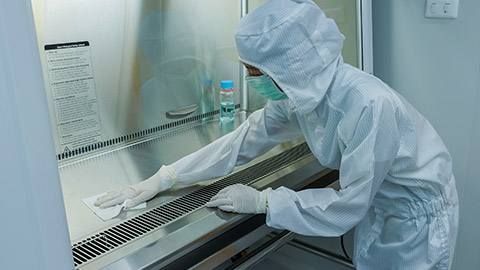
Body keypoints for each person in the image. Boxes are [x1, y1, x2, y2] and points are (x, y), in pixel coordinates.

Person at [95, 0, 459, 268]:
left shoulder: (366, 104)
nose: (251, 80)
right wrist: (166, 177)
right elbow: (247, 138)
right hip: (381, 207)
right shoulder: (305, 93)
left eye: (254, 71)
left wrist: (265, 202)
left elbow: (348, 207)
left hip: (417, 218)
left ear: (287, 67)